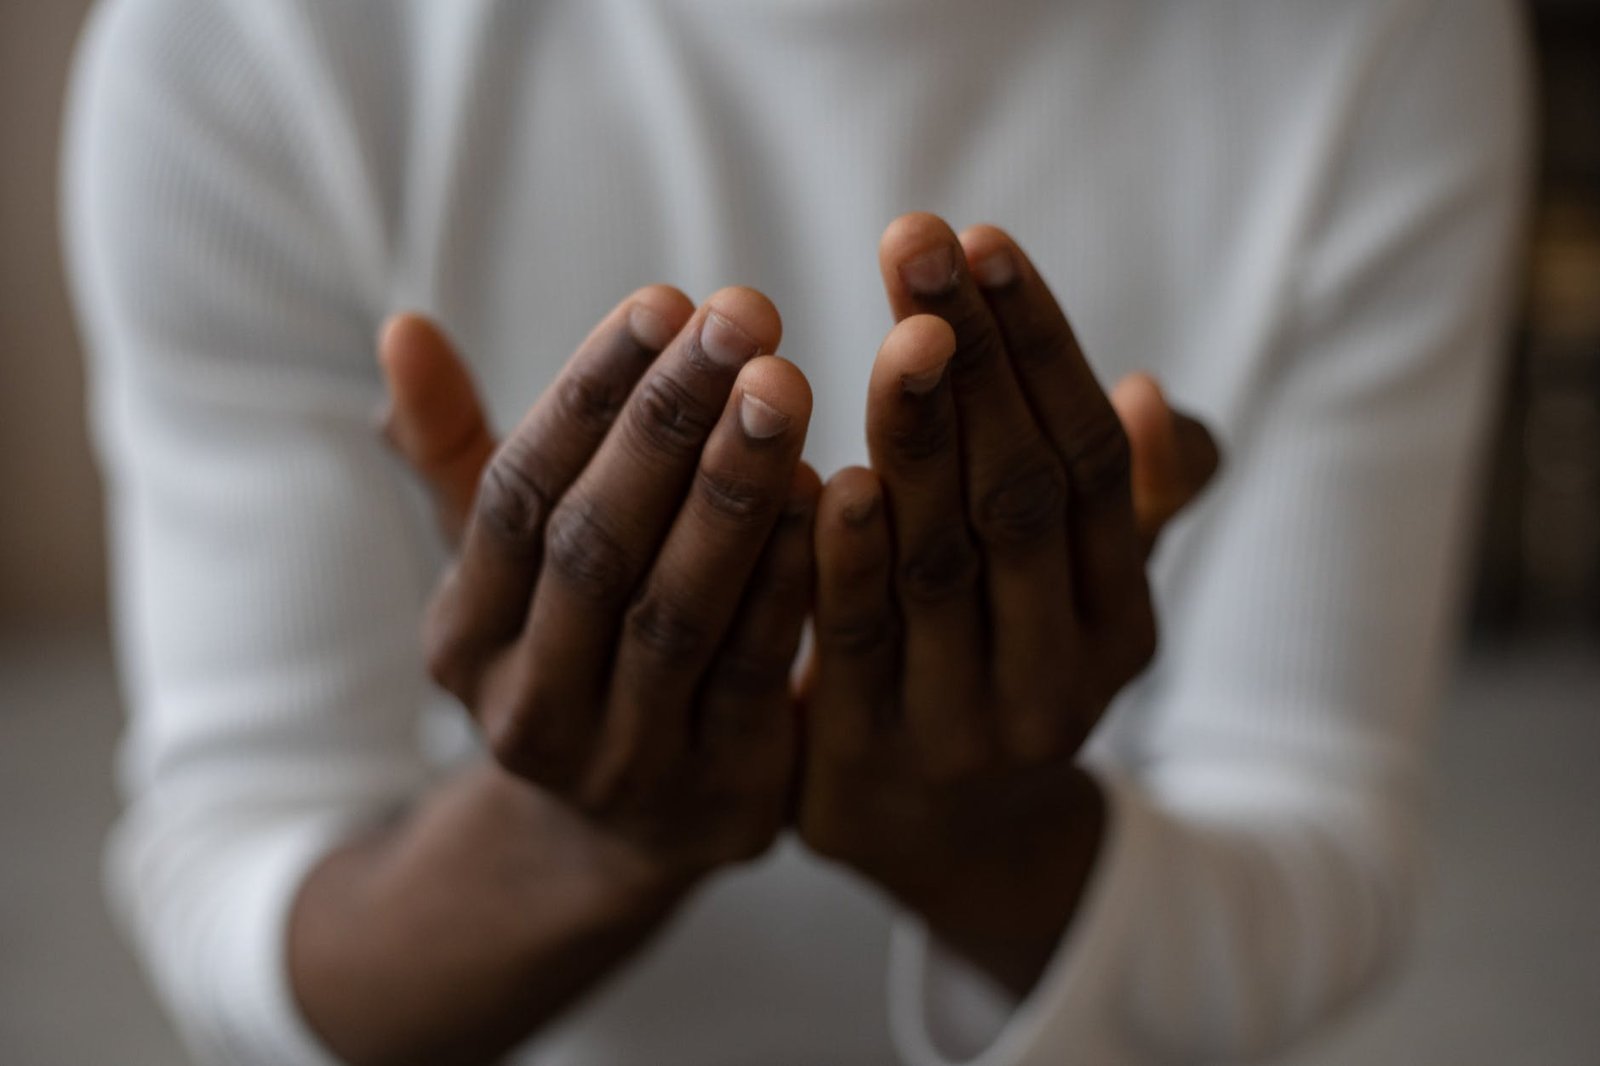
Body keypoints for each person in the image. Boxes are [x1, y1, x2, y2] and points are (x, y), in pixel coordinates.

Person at [63, 1, 1529, 1064]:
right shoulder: (249, 45)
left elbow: (1319, 860)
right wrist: (568, 840)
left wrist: (974, 831)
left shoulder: (1380, 42)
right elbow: (243, 909)